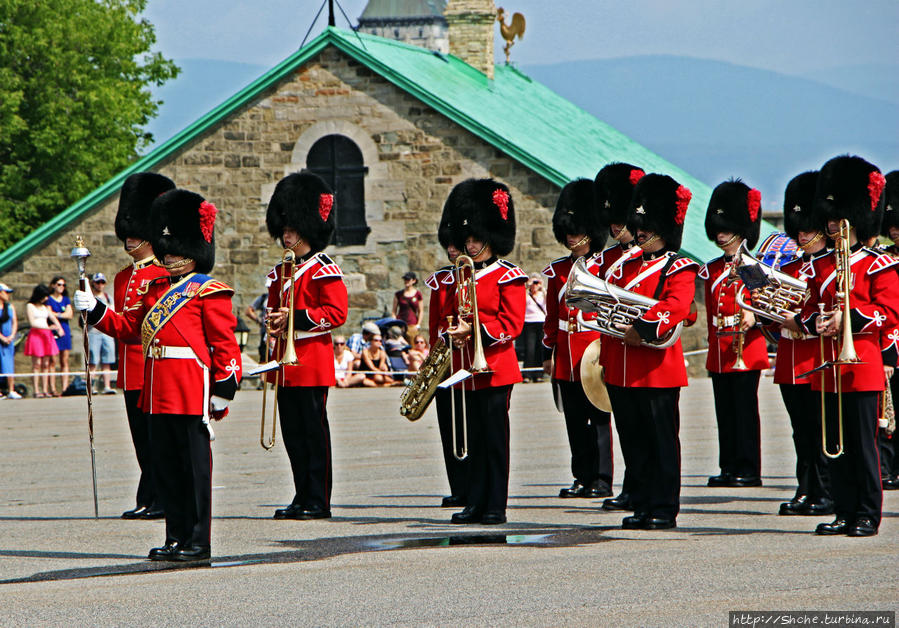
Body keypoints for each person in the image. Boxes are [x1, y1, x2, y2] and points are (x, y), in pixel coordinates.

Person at [75, 187, 241, 561]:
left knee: (194, 471)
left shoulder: (208, 291)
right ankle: (176, 537)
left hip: (190, 387)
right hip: (157, 389)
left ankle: (199, 541)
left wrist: (225, 386)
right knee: (165, 467)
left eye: (174, 247)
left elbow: (224, 344)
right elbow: (130, 328)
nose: (167, 254)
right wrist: (96, 310)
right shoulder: (155, 290)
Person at [796, 155, 899, 537]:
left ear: (852, 220)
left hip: (862, 365)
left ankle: (868, 513)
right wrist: (815, 323)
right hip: (829, 365)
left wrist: (848, 318)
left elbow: (888, 312)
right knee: (834, 445)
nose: (830, 225)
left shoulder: (876, 265)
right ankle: (843, 509)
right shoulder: (821, 266)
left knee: (862, 445)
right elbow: (809, 309)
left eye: (837, 219)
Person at [601, 173, 698, 530]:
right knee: (634, 441)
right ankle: (641, 502)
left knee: (660, 442)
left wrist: (641, 328)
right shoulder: (623, 265)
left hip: (656, 368)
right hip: (621, 366)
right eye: (638, 226)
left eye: (645, 226)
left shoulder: (679, 266)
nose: (638, 232)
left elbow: (676, 305)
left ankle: (663, 506)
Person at [263, 172, 348, 521]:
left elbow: (336, 313)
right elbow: (273, 312)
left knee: (314, 434)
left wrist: (294, 318)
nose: (286, 234)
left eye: (293, 229)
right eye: (284, 229)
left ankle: (319, 499)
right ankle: (301, 495)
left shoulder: (323, 269)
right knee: (293, 436)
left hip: (310, 361)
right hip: (286, 364)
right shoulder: (281, 272)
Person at [443, 178, 526, 526]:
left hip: (495, 367)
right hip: (466, 368)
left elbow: (511, 324)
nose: (471, 243)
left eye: (476, 237)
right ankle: (475, 501)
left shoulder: (509, 276)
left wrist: (474, 330)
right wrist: (453, 334)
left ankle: (495, 505)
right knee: (473, 440)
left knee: (494, 441)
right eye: (468, 238)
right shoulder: (459, 276)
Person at [541, 178, 613, 500]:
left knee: (598, 416)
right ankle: (582, 476)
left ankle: (602, 478)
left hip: (594, 350)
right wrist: (549, 350)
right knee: (573, 421)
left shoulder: (608, 266)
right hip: (566, 355)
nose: (571, 237)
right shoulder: (558, 270)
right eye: (567, 232)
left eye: (576, 230)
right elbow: (551, 317)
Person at [109, 172, 175, 520]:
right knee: (140, 440)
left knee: (156, 440)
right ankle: (149, 494)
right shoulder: (123, 276)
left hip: (151, 368)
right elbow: (120, 326)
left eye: (134, 233)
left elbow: (138, 327)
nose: (128, 239)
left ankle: (162, 496)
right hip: (129, 371)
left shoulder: (161, 276)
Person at [772, 171, 834, 516]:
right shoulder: (791, 266)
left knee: (819, 429)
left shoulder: (833, 265)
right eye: (799, 229)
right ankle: (805, 487)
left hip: (817, 356)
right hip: (790, 357)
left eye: (808, 229)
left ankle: (825, 490)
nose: (802, 235)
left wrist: (800, 319)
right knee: (800, 432)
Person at [700, 179, 769, 488]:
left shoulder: (753, 267)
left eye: (726, 226)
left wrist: (752, 313)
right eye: (718, 227)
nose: (721, 233)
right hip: (720, 346)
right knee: (724, 412)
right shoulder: (712, 269)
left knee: (744, 411)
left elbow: (766, 305)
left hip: (746, 347)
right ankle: (728, 465)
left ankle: (748, 467)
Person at [591, 161, 645, 512]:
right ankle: (630, 487)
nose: (615, 228)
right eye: (611, 223)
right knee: (625, 427)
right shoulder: (606, 258)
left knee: (645, 431)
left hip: (640, 351)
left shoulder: (650, 258)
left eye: (620, 222)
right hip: (614, 352)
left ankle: (643, 488)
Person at [877, 170, 899, 490]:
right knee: (887, 415)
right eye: (892, 226)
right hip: (891, 344)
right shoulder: (883, 261)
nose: (895, 232)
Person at [24, 284, 62, 398]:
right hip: (36, 334)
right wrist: (48, 328)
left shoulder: (45, 307)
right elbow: (32, 323)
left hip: (46, 336)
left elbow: (53, 318)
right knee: (37, 364)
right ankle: (36, 389)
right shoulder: (30, 306)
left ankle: (45, 389)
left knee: (46, 364)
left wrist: (59, 327)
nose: (46, 298)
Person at [87, 272, 116, 395]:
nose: (100, 285)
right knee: (93, 361)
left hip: (107, 333)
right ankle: (91, 386)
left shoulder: (108, 297)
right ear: (93, 283)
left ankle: (107, 386)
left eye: (102, 282)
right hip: (94, 332)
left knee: (107, 360)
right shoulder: (90, 297)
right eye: (98, 282)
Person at [47, 275, 73, 396]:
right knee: (53, 361)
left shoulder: (66, 299)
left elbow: (69, 315)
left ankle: (65, 387)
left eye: (63, 285)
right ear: (53, 285)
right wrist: (61, 314)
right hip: (53, 330)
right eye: (59, 284)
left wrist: (56, 314)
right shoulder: (49, 299)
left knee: (65, 360)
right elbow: (48, 313)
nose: (61, 287)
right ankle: (52, 388)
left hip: (65, 329)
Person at [521, 273, 545, 382]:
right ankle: (527, 374)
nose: (535, 285)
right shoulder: (526, 295)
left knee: (540, 348)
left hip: (541, 322)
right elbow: (521, 301)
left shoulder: (543, 294)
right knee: (530, 349)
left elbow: (548, 301)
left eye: (536, 283)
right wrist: (527, 286)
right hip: (529, 323)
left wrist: (542, 287)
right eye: (533, 283)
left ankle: (539, 374)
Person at [0, 283, 21, 399]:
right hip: (1, 339)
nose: (7, 295)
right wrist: (2, 337)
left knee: (9, 364)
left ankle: (11, 389)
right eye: (5, 292)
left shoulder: (10, 307)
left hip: (9, 340)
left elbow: (14, 322)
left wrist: (12, 335)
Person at [392, 271, 424, 344]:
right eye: (405, 279)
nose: (406, 281)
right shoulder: (398, 294)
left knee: (412, 344)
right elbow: (394, 311)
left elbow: (420, 311)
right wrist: (394, 323)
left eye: (408, 279)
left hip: (412, 324)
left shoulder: (418, 294)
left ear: (414, 281)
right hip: (401, 324)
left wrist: (418, 324)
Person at [244, 293, 267, 364]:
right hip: (265, 333)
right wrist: (259, 321)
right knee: (264, 360)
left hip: (276, 334)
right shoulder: (264, 298)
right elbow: (249, 311)